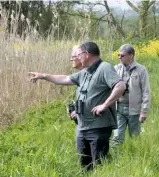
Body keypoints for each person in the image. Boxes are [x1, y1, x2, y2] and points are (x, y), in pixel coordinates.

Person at [28, 41, 126, 171]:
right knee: (84, 167)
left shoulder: (104, 68)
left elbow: (120, 86)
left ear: (86, 54)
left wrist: (104, 105)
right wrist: (43, 76)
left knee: (99, 167)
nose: (77, 58)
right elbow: (65, 79)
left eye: (79, 54)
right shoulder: (84, 72)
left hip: (98, 128)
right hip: (82, 128)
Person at [111, 44, 151, 147]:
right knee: (117, 137)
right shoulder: (116, 69)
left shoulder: (141, 70)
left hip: (134, 110)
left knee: (135, 138)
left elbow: (146, 92)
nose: (119, 57)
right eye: (118, 55)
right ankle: (116, 159)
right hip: (119, 108)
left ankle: (135, 158)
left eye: (122, 55)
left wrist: (144, 111)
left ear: (131, 55)